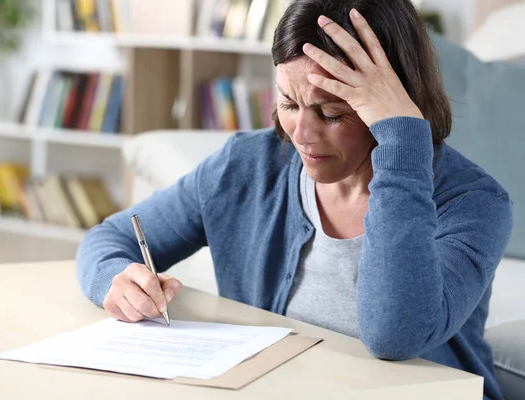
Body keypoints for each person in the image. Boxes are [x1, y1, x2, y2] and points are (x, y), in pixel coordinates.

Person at [76, 1, 513, 399]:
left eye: (331, 113)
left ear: (393, 102)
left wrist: (401, 141)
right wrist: (114, 280)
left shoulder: (475, 203)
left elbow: (394, 335)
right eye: (288, 102)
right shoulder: (246, 166)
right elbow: (111, 237)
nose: (300, 134)